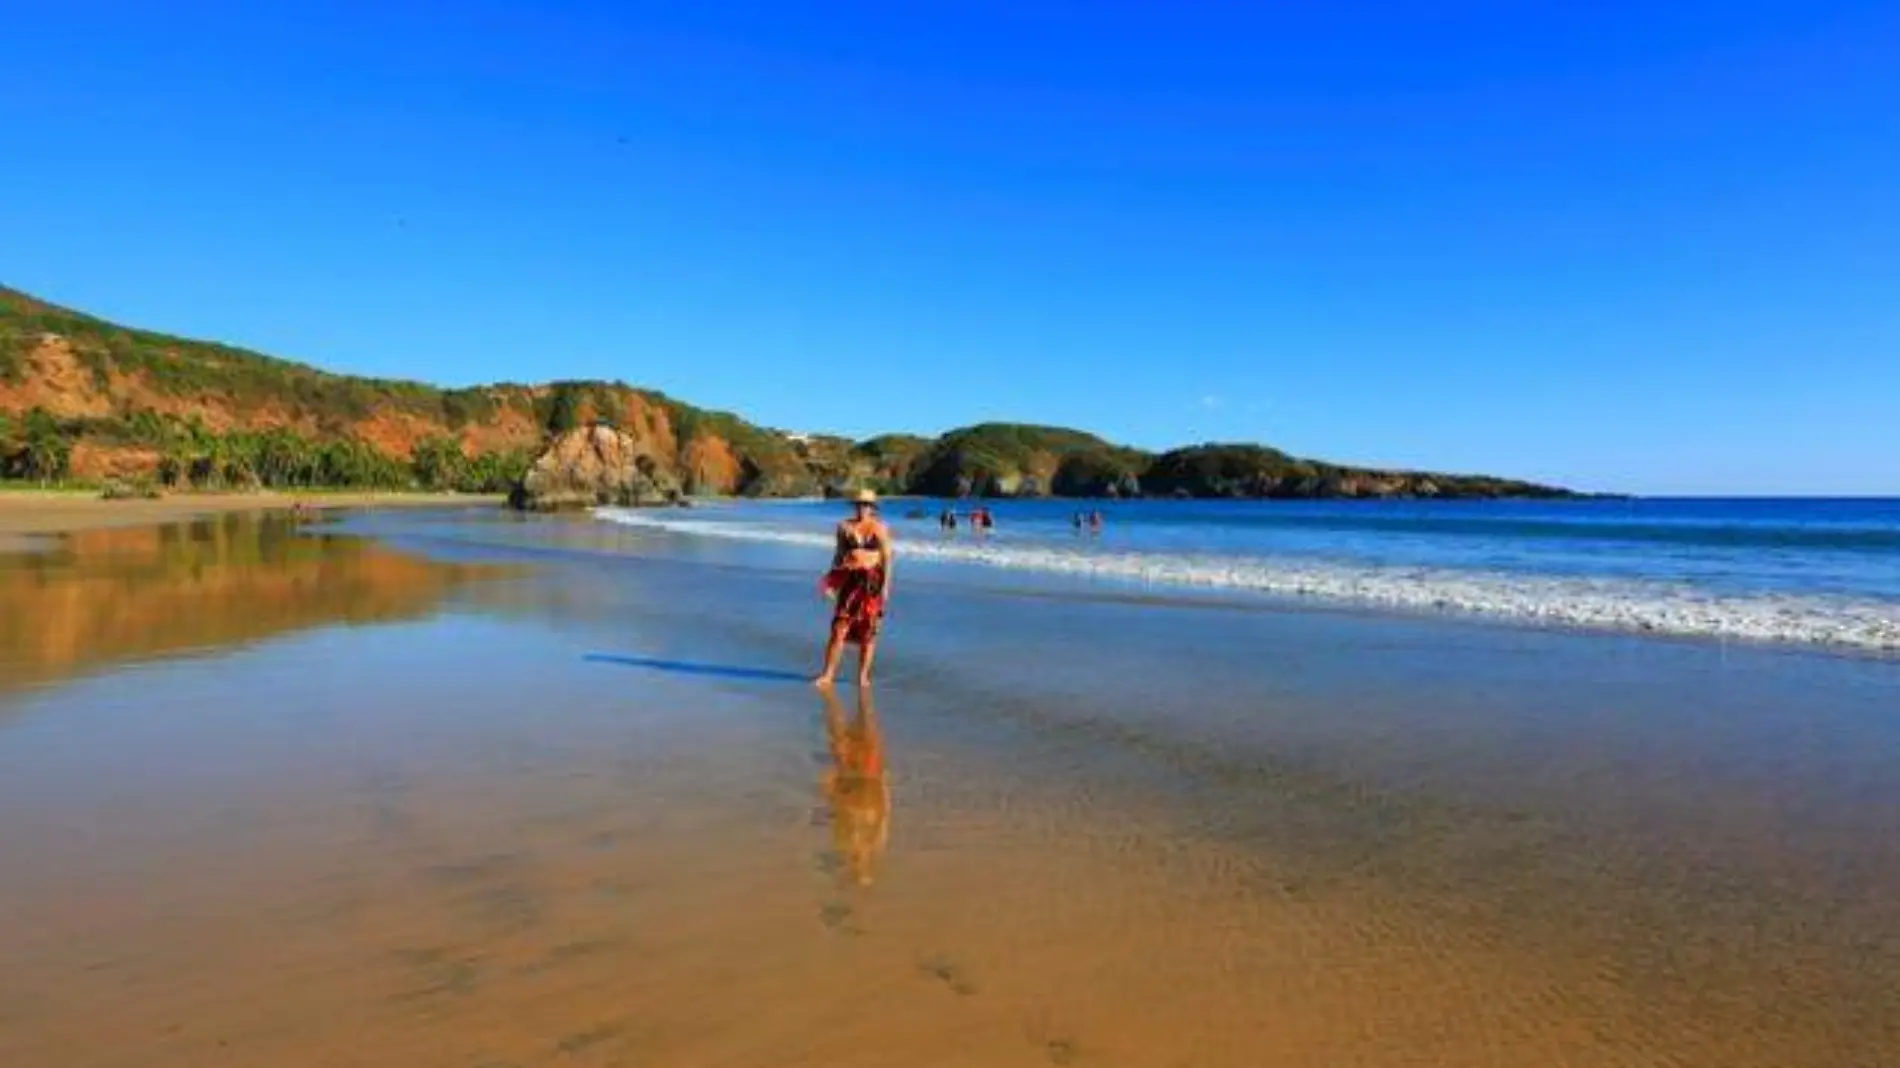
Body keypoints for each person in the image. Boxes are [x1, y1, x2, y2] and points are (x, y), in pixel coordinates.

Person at [815, 489, 895, 687]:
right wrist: (831, 583)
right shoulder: (844, 527)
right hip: (849, 581)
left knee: (869, 632)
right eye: (859, 505)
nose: (862, 508)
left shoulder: (880, 528)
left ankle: (862, 677)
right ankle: (828, 675)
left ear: (872, 508)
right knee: (839, 629)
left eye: (866, 505)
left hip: (871, 584)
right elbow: (838, 556)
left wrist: (885, 586)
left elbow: (887, 560)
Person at [818, 684, 890, 887]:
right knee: (852, 740)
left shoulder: (864, 838)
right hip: (860, 784)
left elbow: (883, 812)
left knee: (853, 740)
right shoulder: (870, 839)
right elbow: (883, 813)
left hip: (861, 784)